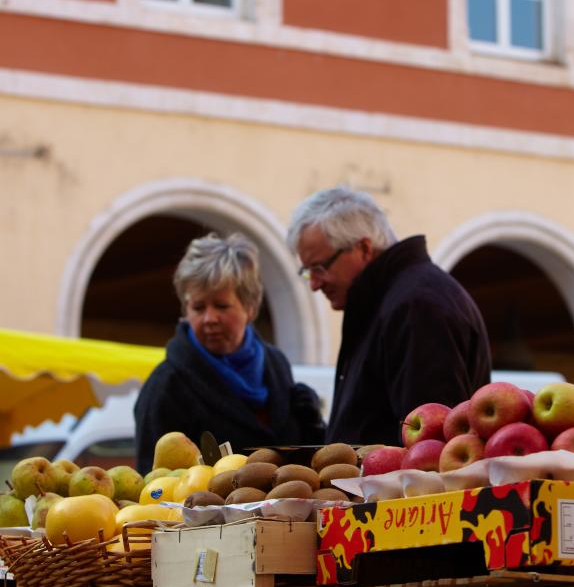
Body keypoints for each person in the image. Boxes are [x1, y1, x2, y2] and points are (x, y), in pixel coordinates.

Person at [287, 187, 491, 445]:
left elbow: (429, 445)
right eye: (307, 271)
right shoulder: (395, 301)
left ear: (363, 248)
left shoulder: (416, 307)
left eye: (319, 268)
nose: (314, 284)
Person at [134, 232, 325, 474]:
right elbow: (154, 486)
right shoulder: (166, 387)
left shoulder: (276, 364)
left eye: (221, 306)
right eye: (198, 307)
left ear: (250, 307)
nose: (209, 318)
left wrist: (312, 425)